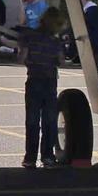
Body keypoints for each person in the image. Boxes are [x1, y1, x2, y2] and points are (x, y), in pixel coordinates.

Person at [14, 9, 68, 168]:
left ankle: (30, 157)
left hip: (34, 80)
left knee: (32, 121)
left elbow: (21, 59)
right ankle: (48, 156)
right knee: (49, 120)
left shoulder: (29, 37)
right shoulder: (55, 41)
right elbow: (62, 61)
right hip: (50, 81)